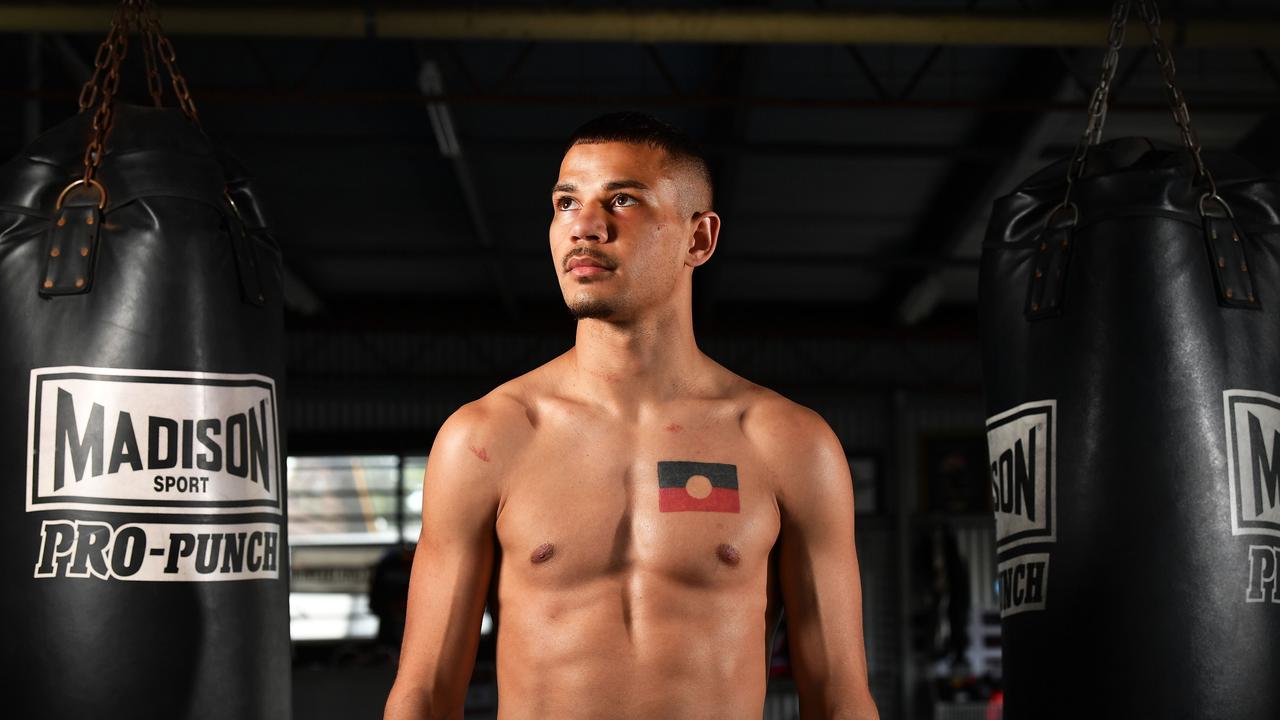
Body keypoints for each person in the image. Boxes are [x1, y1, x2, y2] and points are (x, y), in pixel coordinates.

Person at [384, 112, 879, 719]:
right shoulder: (488, 437)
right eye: (567, 203)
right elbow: (424, 695)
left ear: (699, 239)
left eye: (622, 200)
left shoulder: (788, 442)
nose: (585, 227)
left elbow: (840, 699)